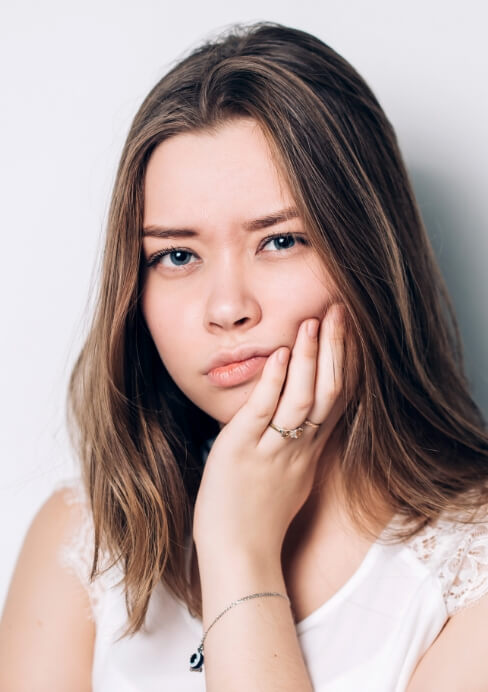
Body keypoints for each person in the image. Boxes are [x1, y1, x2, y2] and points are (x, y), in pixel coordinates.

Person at [1, 21, 487, 691]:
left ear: (371, 253)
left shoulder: (473, 578)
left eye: (280, 241)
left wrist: (239, 552)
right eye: (176, 256)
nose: (226, 307)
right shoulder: (81, 542)